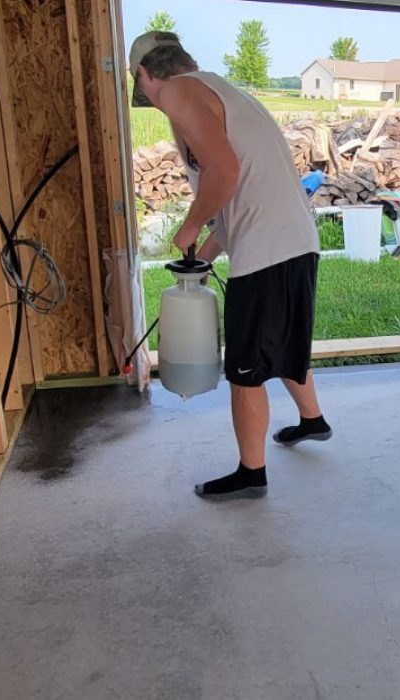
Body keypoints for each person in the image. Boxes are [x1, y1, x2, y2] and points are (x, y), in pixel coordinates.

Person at [129, 31, 333, 500]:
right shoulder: (219, 89)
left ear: (143, 75)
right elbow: (236, 199)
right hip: (294, 241)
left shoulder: (180, 91)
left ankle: (251, 473)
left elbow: (224, 173)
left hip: (267, 250)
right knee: (280, 341)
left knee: (245, 370)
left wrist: (187, 227)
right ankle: (312, 420)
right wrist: (201, 256)